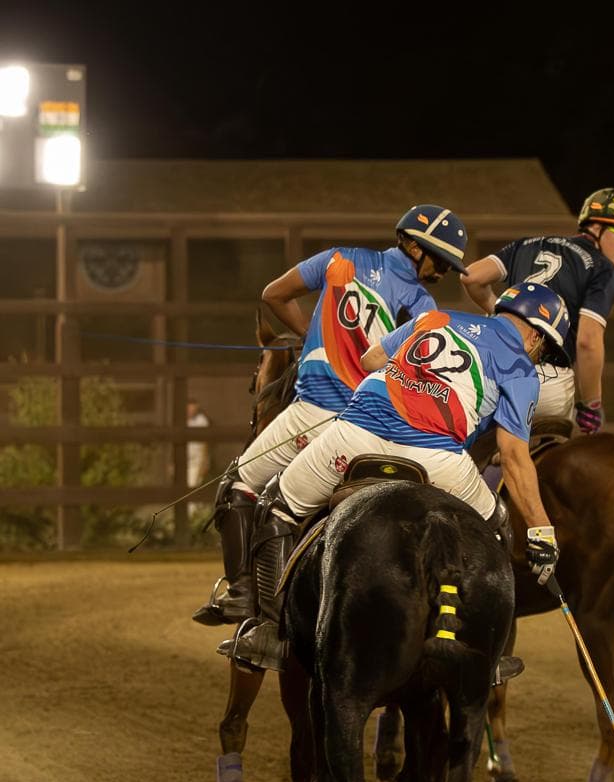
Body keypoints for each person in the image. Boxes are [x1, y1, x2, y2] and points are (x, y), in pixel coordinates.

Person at [220, 282, 568, 672]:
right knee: (497, 525)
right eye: (544, 349)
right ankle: (491, 649)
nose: (538, 356)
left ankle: (271, 631)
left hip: (354, 437)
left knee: (275, 506)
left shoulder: (433, 317)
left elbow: (371, 360)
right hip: (435, 457)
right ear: (536, 335)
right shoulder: (521, 369)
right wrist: (541, 531)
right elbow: (514, 456)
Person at [193, 204, 467, 626]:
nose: (443, 271)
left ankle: (244, 597)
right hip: (373, 422)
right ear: (412, 245)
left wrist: (310, 335)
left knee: (238, 486)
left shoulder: (337, 259)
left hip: (315, 412)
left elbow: (273, 294)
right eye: (440, 260)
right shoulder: (421, 303)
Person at [460, 187, 614, 433]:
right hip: (546, 379)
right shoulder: (603, 269)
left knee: (466, 447)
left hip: (488, 367)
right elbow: (588, 342)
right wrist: (592, 405)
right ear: (596, 227)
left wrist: (503, 312)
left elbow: (472, 277)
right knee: (549, 462)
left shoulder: (528, 244)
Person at [186, 400, 211, 488]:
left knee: (192, 486)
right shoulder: (181, 420)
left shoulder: (201, 421)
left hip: (196, 461)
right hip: (183, 461)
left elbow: (205, 444)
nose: (191, 411)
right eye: (189, 408)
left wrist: (204, 462)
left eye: (193, 409)